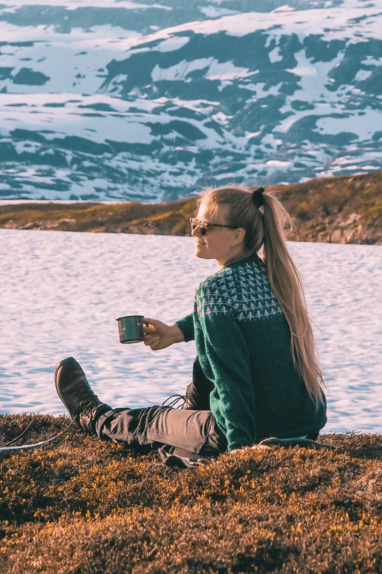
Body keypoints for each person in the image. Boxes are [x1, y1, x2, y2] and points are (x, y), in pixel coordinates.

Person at [54, 185, 326, 465]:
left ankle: (93, 415)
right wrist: (175, 332)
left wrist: (239, 453)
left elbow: (233, 381)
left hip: (245, 433)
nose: (195, 233)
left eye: (205, 227)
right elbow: (232, 322)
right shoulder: (274, 277)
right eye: (195, 224)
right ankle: (190, 415)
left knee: (151, 421)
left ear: (236, 235)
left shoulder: (215, 290)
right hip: (301, 427)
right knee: (203, 357)